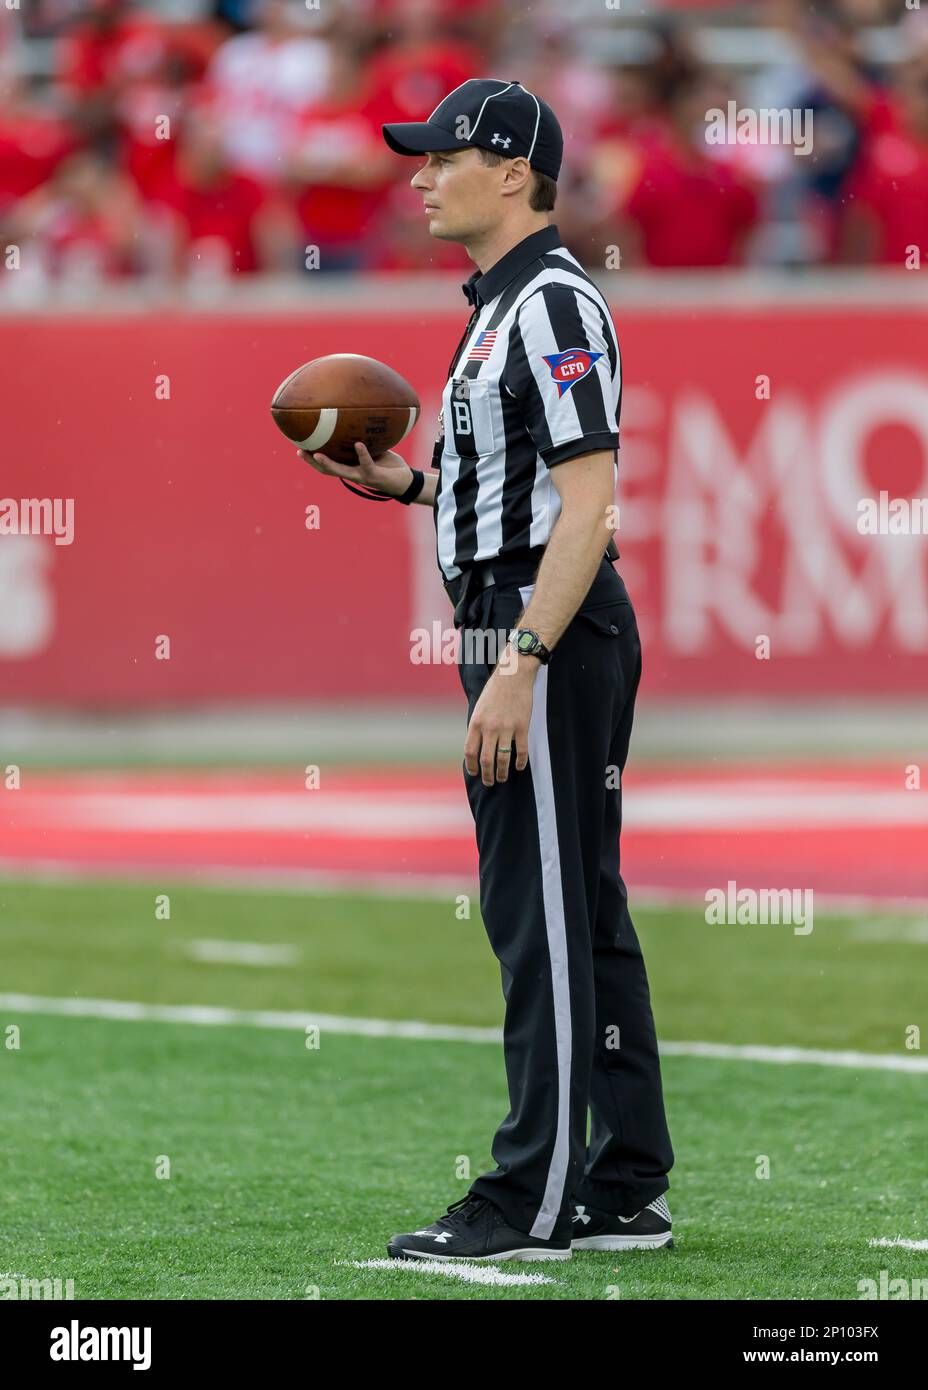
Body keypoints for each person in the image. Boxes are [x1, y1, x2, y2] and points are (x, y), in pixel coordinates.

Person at [302, 77, 674, 1263]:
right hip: (514, 610)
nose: (418, 176)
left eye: (440, 157)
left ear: (512, 171)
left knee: (540, 910)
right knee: (578, 901)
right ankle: (619, 1182)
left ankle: (534, 1197)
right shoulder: (500, 304)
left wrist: (521, 655)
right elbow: (517, 490)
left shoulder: (551, 305)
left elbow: (588, 505)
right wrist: (409, 488)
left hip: (536, 622)